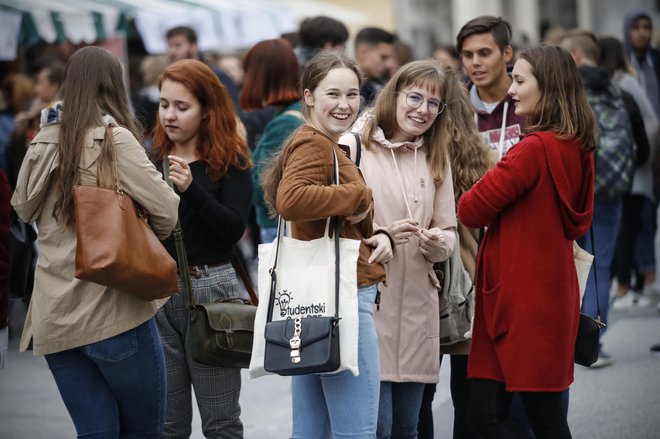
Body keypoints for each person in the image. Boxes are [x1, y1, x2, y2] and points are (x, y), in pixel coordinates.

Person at [10, 46, 179, 437]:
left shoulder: (42, 140)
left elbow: (21, 208)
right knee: (143, 431)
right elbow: (167, 212)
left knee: (96, 433)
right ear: (112, 86)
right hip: (111, 308)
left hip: (54, 317)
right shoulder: (112, 139)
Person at [458, 44, 596, 439]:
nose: (511, 90)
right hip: (549, 293)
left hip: (518, 300)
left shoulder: (532, 150)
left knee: (533, 418)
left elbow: (470, 209)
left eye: (519, 80)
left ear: (548, 87)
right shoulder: (578, 146)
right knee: (503, 413)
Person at [261, 51, 394, 438]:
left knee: (311, 431)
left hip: (315, 300)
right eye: (332, 94)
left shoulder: (319, 142)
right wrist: (358, 195)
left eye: (352, 95)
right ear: (308, 97)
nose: (345, 104)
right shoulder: (315, 144)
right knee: (357, 430)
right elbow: (292, 200)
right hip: (342, 297)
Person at [339, 59, 458, 439]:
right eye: (415, 97)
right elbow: (332, 222)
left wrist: (439, 243)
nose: (422, 110)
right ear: (394, 94)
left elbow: (449, 229)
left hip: (419, 310)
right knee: (379, 426)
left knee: (409, 427)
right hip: (369, 306)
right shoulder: (353, 145)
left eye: (433, 104)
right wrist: (381, 234)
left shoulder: (436, 155)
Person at [153, 58, 253, 438]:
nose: (169, 116)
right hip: (159, 293)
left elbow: (232, 229)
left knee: (220, 420)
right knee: (168, 423)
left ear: (207, 110)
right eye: (164, 105)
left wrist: (190, 190)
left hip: (211, 291)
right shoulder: (151, 162)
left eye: (182, 106)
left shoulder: (230, 162)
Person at [561, 31, 637, 368]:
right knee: (601, 265)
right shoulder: (618, 91)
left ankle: (572, 339)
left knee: (574, 262)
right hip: (613, 191)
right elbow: (642, 143)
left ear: (575, 56)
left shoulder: (568, 93)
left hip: (579, 191)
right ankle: (594, 342)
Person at [599, 36, 657, 310]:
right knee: (628, 229)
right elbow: (652, 119)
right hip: (632, 169)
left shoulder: (617, 83)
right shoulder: (625, 82)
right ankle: (624, 286)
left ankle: (624, 285)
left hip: (625, 171)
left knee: (627, 229)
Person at [241, 39, 303, 244]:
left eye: (249, 72)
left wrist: (240, 143)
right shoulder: (299, 111)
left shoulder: (284, 124)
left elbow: (261, 192)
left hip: (278, 230)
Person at [623, 10, 660, 299]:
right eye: (636, 27)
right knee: (641, 215)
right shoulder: (624, 66)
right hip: (641, 151)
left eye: (647, 27)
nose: (642, 33)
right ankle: (643, 276)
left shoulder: (655, 62)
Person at [456, 16, 525, 158]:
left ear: (507, 54)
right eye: (468, 55)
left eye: (484, 53)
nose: (475, 62)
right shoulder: (455, 107)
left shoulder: (533, 99)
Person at [165, 25, 241, 111]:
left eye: (178, 45)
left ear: (194, 46)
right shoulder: (171, 78)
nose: (172, 52)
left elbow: (234, 111)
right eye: (170, 46)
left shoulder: (215, 76)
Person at [354, 27, 396, 109]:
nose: (389, 64)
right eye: (383, 57)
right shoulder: (344, 88)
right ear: (362, 52)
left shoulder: (377, 88)